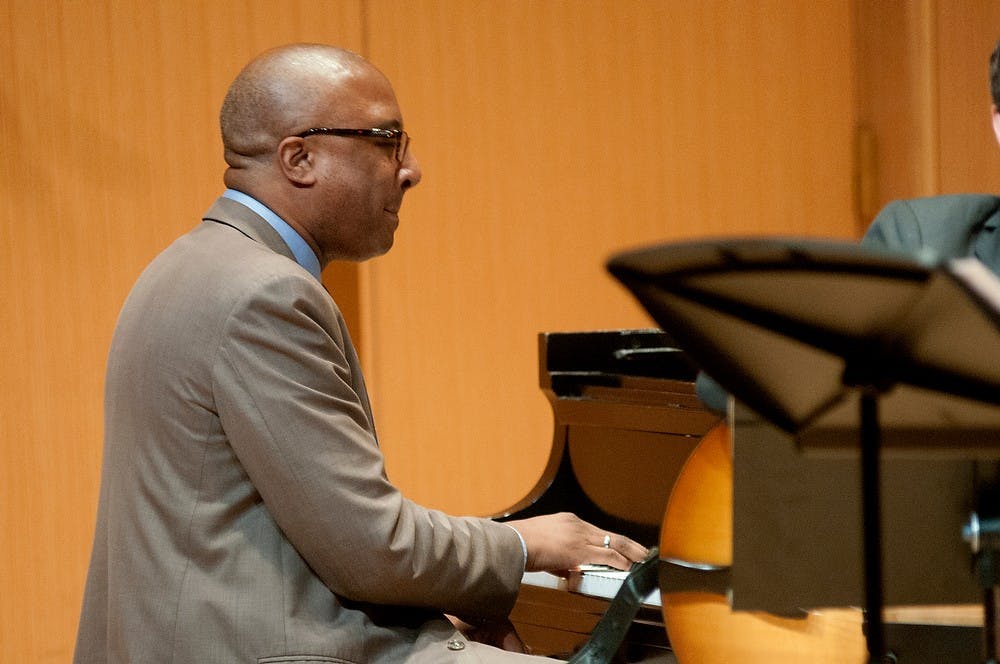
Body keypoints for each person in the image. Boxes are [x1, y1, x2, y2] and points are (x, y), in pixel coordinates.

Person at [73, 43, 647, 663]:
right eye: (387, 141)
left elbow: (295, 533)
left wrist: (442, 599)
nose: (411, 169)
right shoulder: (267, 294)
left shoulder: (190, 265)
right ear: (300, 158)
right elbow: (371, 550)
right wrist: (525, 546)